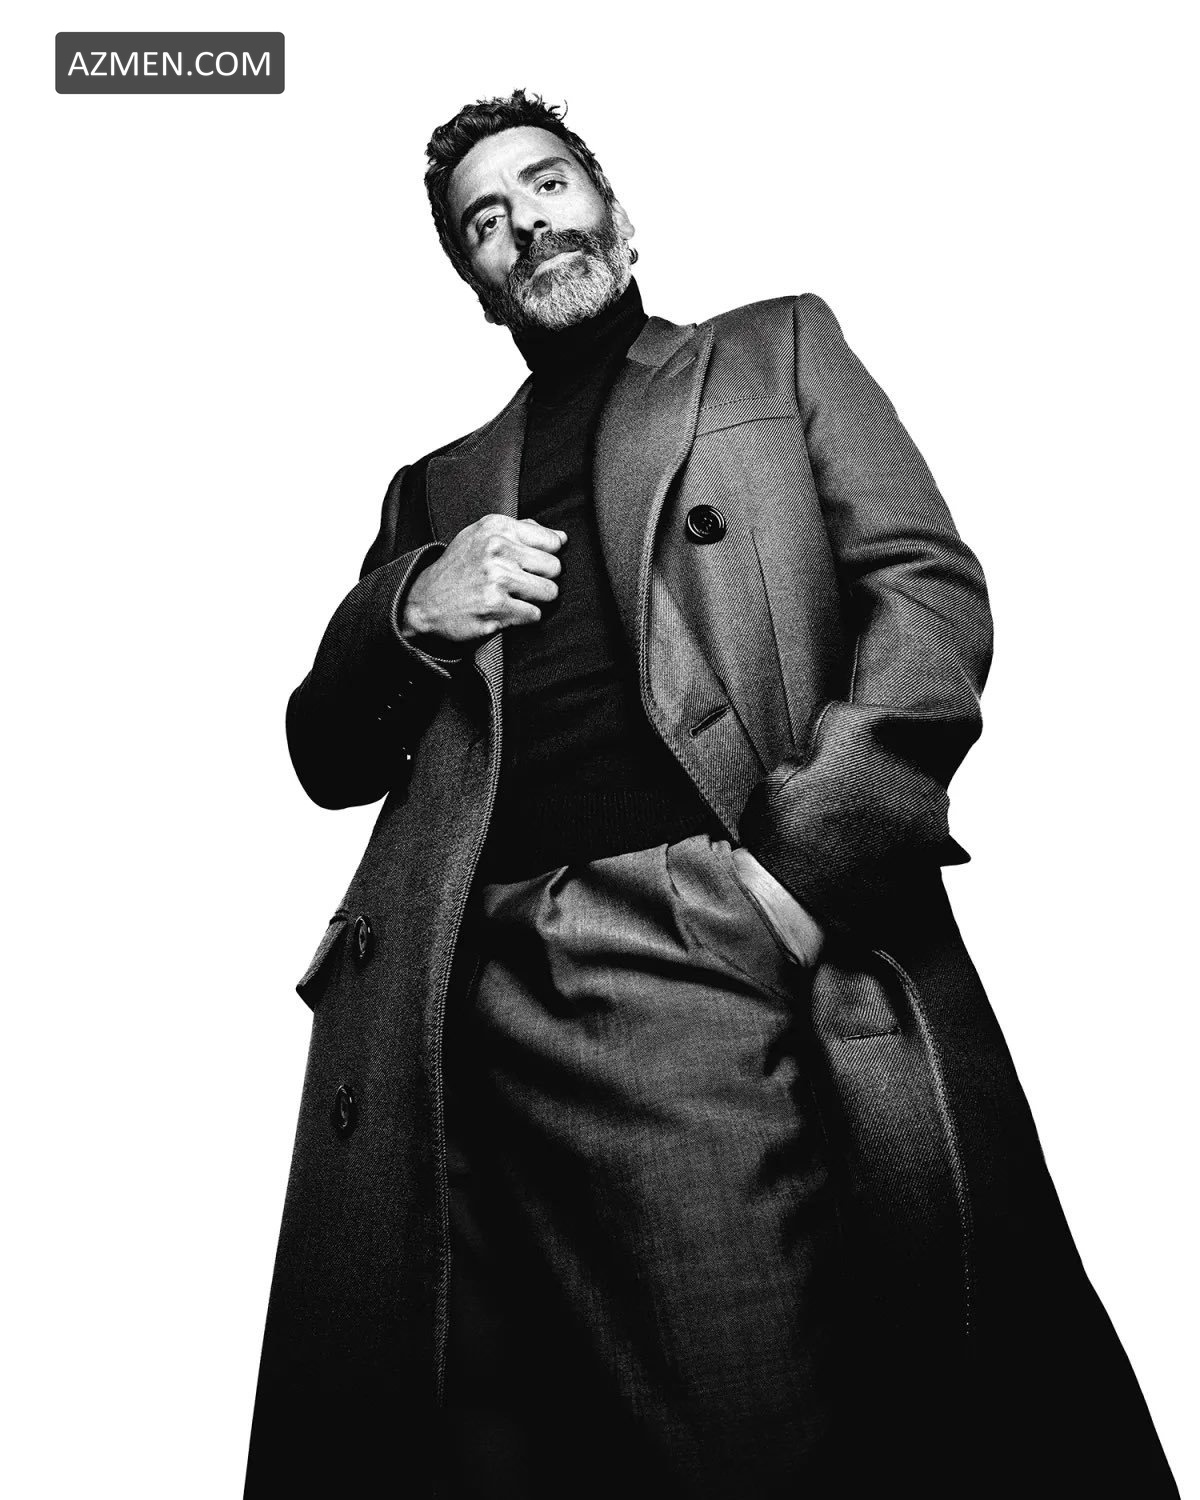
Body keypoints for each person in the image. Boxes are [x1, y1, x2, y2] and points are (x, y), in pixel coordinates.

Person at [245, 91, 1178, 1498]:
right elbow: (326, 754)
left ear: (613, 208)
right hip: (461, 997)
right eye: (485, 222)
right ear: (474, 282)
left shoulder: (774, 348)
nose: (526, 225)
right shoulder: (433, 490)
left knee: (745, 1416)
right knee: (521, 1439)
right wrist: (410, 608)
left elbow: (925, 589)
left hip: (698, 932)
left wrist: (794, 875)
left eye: (546, 184)